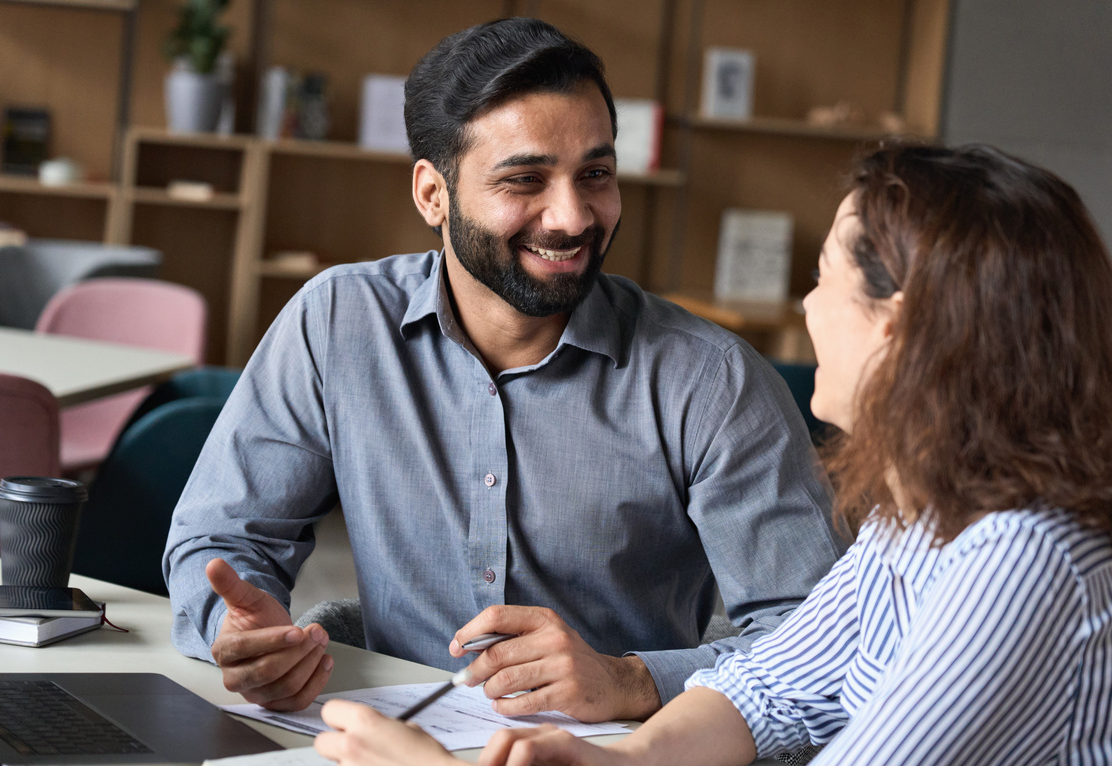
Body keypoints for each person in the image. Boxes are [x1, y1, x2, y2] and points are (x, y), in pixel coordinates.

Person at [309, 144, 1112, 765]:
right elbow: (771, 689)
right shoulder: (920, 520)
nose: (807, 305)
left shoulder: (1019, 559)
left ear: (895, 326)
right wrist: (618, 762)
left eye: (822, 277)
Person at [163, 17, 844, 724]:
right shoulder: (337, 322)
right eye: (525, 179)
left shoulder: (711, 380)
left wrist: (630, 680)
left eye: (595, 175)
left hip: (613, 751)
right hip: (387, 737)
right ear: (432, 195)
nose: (572, 217)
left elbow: (824, 646)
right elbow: (222, 538)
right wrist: (239, 631)